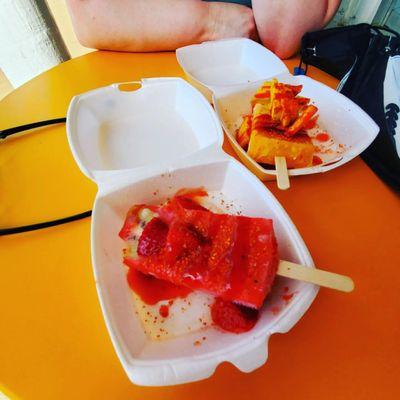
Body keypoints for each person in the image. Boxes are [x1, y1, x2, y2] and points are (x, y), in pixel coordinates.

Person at [66, 0, 341, 59]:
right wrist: (211, 20)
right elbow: (92, 17)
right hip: (142, 81)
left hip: (249, 87)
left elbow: (282, 36)